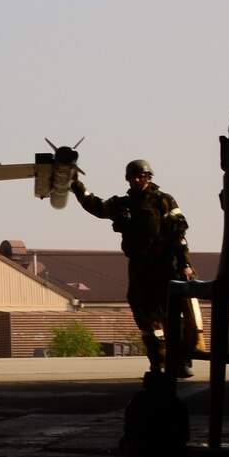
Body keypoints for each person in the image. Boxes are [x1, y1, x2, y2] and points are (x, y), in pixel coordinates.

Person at [73, 158, 194, 378]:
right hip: (139, 266)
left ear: (149, 177)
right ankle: (157, 362)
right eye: (134, 177)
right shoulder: (123, 204)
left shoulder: (163, 200)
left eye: (142, 176)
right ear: (128, 179)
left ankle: (180, 362)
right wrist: (76, 185)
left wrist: (185, 264)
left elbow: (178, 234)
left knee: (172, 316)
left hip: (165, 264)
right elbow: (96, 206)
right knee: (145, 316)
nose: (138, 180)